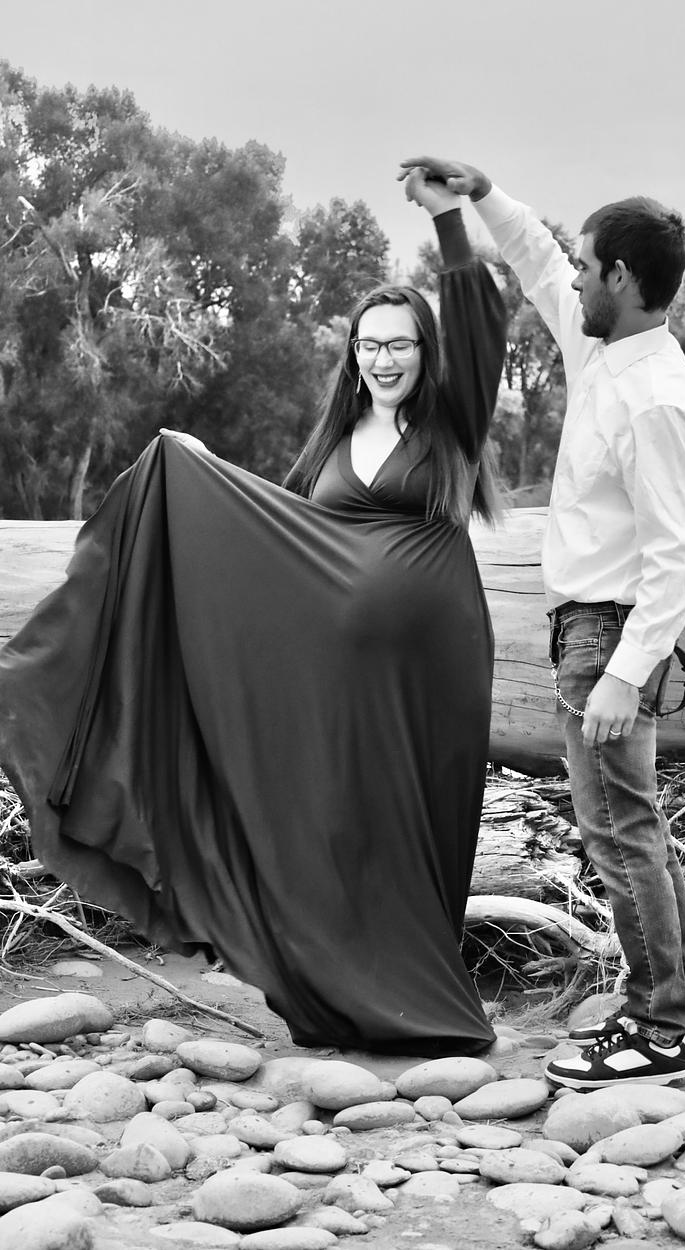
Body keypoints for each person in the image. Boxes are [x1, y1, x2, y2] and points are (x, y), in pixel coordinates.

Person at [0, 170, 506, 1056]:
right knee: (336, 822)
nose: (384, 360)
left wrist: (450, 220)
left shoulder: (451, 428)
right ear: (352, 356)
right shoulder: (334, 442)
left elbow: (481, 330)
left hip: (436, 668)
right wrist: (190, 471)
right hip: (338, 678)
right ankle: (336, 999)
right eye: (369, 346)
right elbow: (282, 537)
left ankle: (422, 994)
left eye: (401, 344)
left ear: (427, 353)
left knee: (419, 827)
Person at [400, 156, 685, 1089]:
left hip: (610, 635)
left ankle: (657, 1029)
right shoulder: (604, 351)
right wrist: (480, 194)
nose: (570, 277)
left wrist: (625, 673)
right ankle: (672, 1000)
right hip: (585, 630)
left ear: (621, 276)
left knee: (617, 831)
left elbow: (679, 551)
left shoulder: (658, 398)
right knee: (625, 823)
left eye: (586, 266)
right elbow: (536, 261)